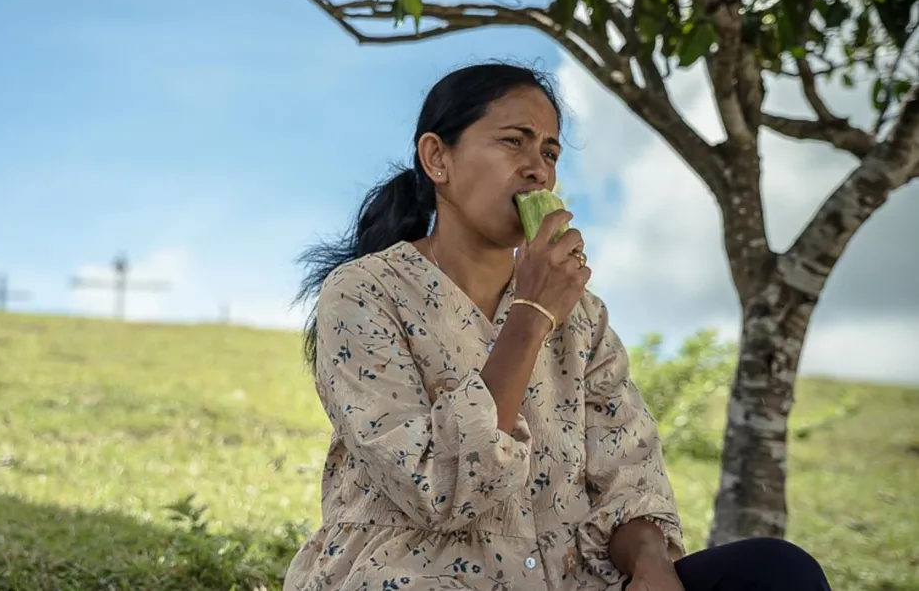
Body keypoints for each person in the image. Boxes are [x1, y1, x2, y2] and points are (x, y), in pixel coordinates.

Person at [284, 62, 832, 591]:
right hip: (417, 575)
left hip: (569, 579)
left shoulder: (584, 316)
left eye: (549, 152)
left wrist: (649, 563)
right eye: (513, 141)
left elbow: (626, 477)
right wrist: (531, 316)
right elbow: (438, 488)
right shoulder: (363, 292)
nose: (537, 168)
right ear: (437, 159)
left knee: (776, 570)